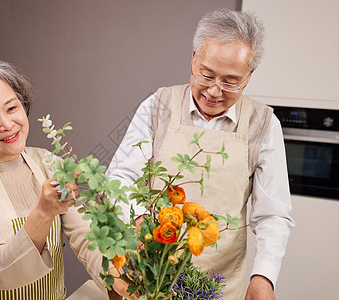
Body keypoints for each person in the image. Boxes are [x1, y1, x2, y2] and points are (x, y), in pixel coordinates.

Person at [106, 8, 295, 300]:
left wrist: (264, 277)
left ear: (250, 74)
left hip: (219, 287)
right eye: (206, 75)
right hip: (151, 278)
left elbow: (273, 214)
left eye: (231, 82)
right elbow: (120, 177)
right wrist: (138, 219)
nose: (215, 91)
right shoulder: (159, 106)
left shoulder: (264, 124)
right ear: (193, 57)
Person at [0, 54, 121, 300]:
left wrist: (120, 282)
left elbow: (86, 239)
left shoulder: (50, 164)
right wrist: (43, 212)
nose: (7, 124)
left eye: (12, 108)